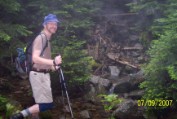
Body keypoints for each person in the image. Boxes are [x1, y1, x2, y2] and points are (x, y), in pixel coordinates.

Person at [10, 14, 62, 119]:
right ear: (44, 24)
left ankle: (32, 116)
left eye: (55, 23)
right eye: (51, 23)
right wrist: (53, 61)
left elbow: (43, 62)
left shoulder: (47, 40)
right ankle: (20, 115)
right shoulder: (41, 38)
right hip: (38, 75)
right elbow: (35, 58)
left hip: (42, 74)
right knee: (46, 104)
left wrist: (53, 67)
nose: (54, 25)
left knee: (39, 103)